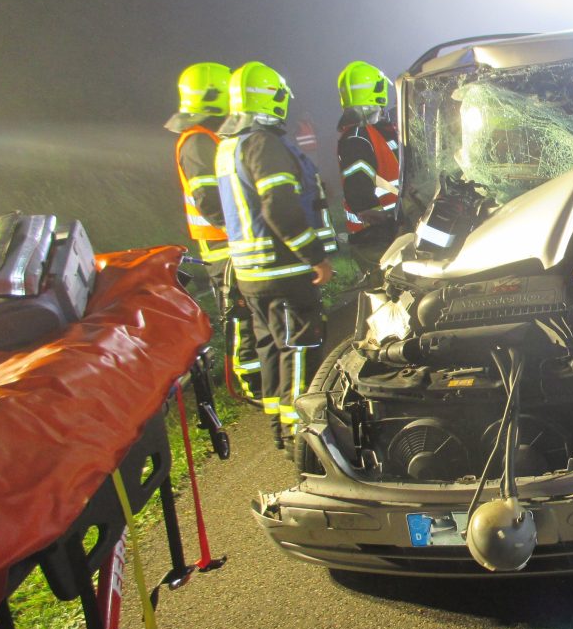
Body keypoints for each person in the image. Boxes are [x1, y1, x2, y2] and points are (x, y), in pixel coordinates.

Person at [215, 61, 338, 448]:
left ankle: (281, 431)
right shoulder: (262, 143)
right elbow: (280, 206)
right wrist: (313, 255)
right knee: (299, 350)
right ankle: (304, 434)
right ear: (271, 98)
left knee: (270, 349)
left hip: (252, 273)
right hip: (282, 271)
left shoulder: (228, 145)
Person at [165, 62, 261, 401]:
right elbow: (210, 200)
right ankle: (252, 383)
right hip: (225, 248)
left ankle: (258, 376)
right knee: (241, 316)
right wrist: (242, 227)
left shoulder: (209, 139)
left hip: (234, 243)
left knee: (252, 312)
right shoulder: (197, 143)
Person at [335, 61, 400, 274]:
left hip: (388, 233)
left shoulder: (374, 133)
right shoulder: (357, 138)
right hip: (376, 239)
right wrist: (385, 225)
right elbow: (359, 193)